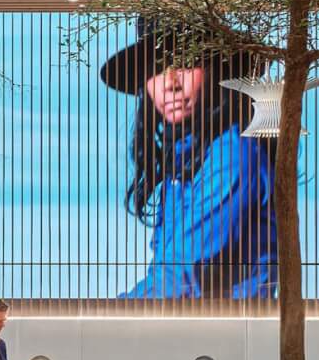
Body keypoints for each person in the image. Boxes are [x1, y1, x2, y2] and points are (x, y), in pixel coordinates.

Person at [101, 16, 277, 301]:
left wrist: (107, 318)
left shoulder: (232, 155)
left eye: (184, 65)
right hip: (195, 331)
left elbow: (180, 276)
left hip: (220, 334)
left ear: (216, 71)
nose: (170, 83)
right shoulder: (185, 163)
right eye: (157, 70)